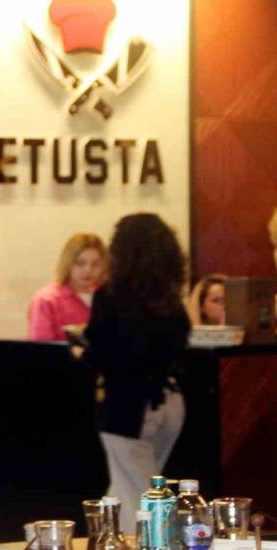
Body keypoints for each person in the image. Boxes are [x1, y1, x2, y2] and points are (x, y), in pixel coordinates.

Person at [74, 213, 190, 533]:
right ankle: (105, 540)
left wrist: (80, 354)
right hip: (169, 402)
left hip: (127, 408)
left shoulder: (110, 297)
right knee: (129, 485)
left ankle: (147, 548)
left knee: (138, 494)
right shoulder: (171, 301)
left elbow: (101, 354)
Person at [27, 233, 107, 340]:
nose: (88, 270)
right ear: (68, 264)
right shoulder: (46, 300)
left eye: (95, 264)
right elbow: (41, 347)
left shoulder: (108, 297)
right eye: (80, 263)